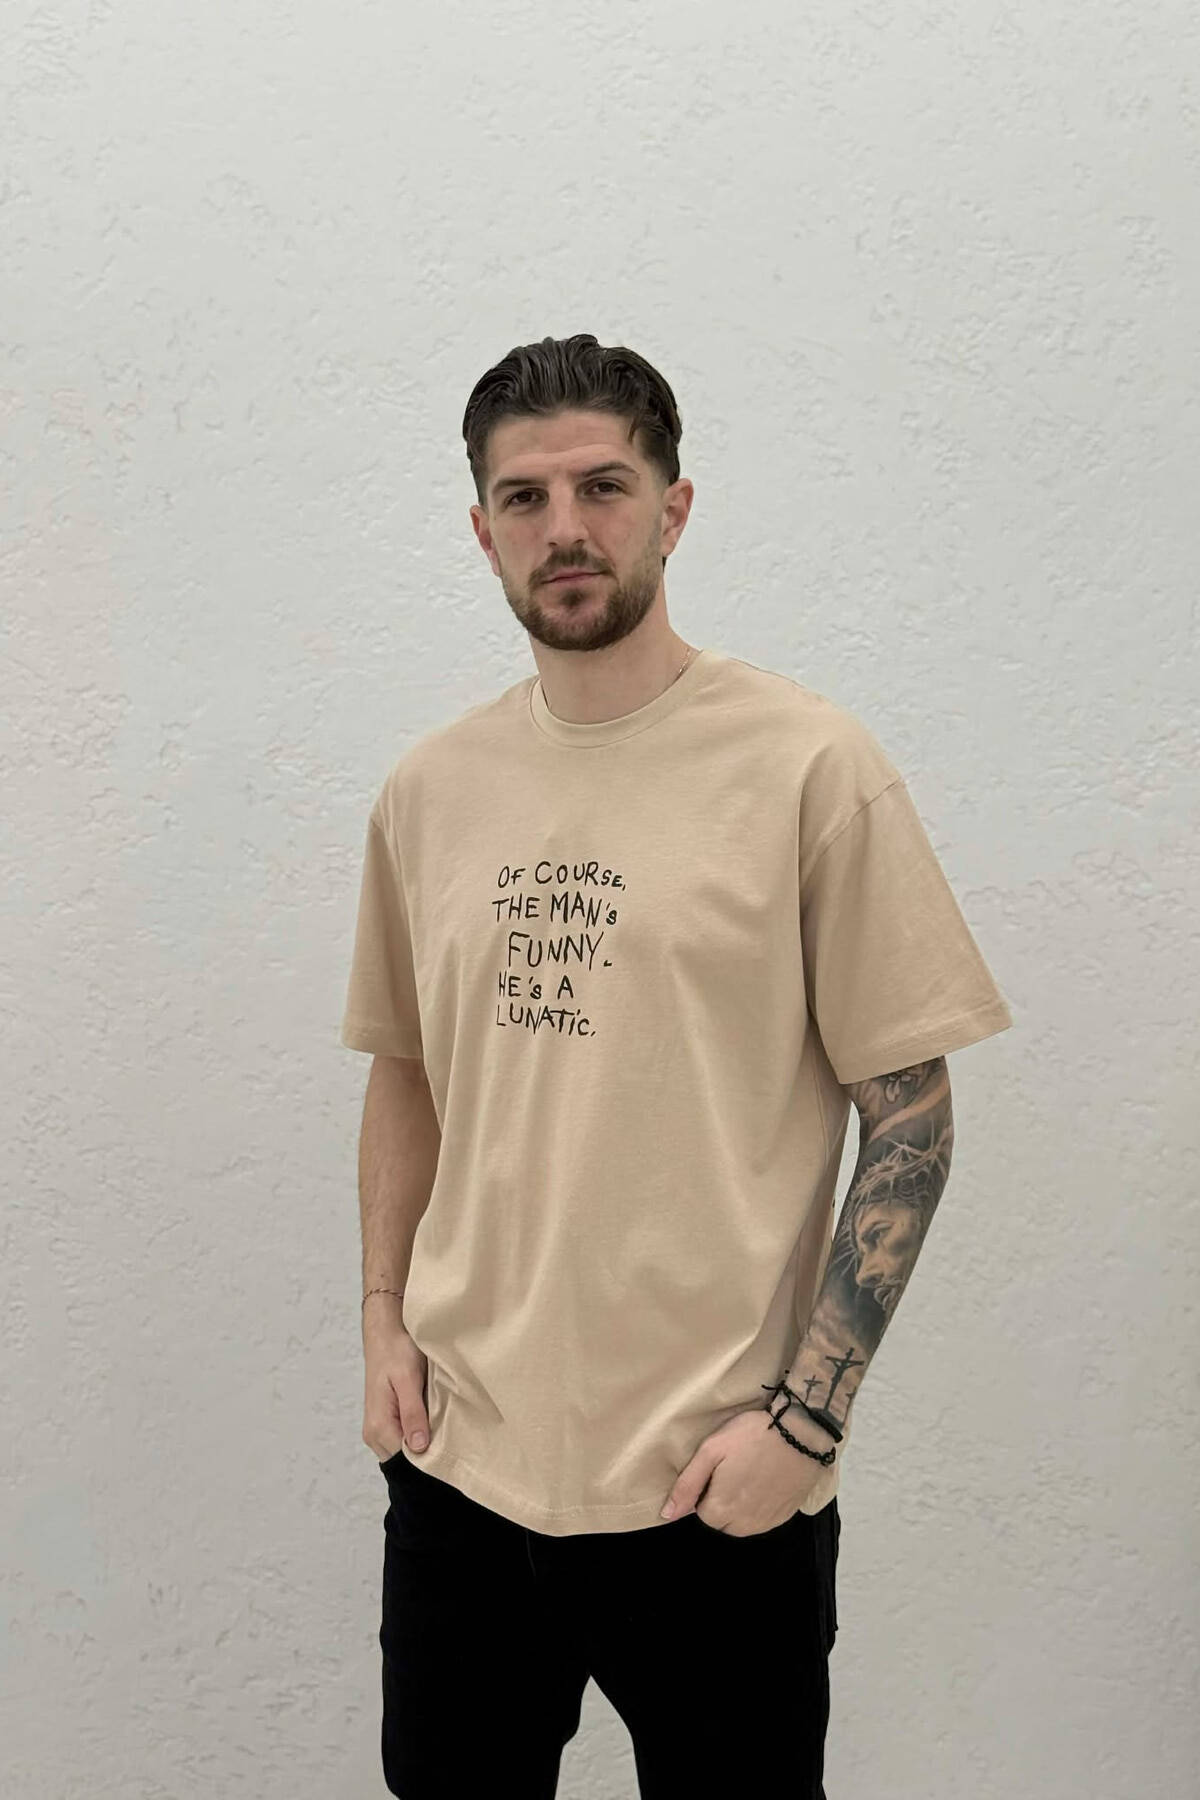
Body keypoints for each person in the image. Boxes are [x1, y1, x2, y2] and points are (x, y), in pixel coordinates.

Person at [339, 334, 1014, 1799]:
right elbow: (405, 1070)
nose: (564, 528)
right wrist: (383, 1317)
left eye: (603, 485)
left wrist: (809, 1421)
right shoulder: (429, 790)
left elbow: (911, 1116)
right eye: (524, 498)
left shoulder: (808, 767)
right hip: (461, 1471)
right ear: (482, 532)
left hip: (715, 1491)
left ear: (674, 508)